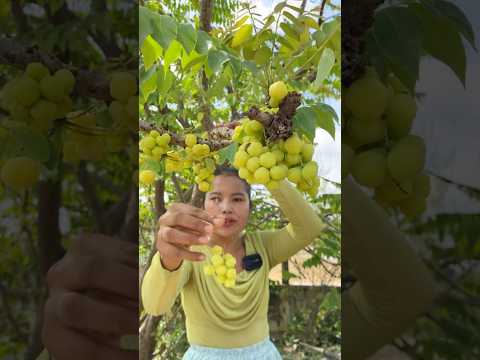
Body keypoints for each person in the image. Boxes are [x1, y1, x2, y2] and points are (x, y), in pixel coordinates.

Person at [141, 166, 325, 359]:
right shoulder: (189, 251)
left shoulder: (263, 246)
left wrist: (269, 172)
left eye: (237, 199)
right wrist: (168, 259)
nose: (226, 208)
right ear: (203, 205)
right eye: (215, 198)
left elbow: (309, 227)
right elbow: (155, 306)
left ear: (250, 207)